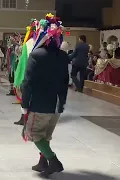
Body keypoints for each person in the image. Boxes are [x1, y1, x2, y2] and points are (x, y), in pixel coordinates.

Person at [21, 13, 68, 178]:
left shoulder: (36, 55)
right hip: (56, 105)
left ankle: (53, 161)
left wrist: (24, 105)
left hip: (40, 104)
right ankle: (43, 163)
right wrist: (61, 103)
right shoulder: (63, 56)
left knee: (34, 135)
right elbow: (65, 82)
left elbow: (27, 82)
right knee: (46, 135)